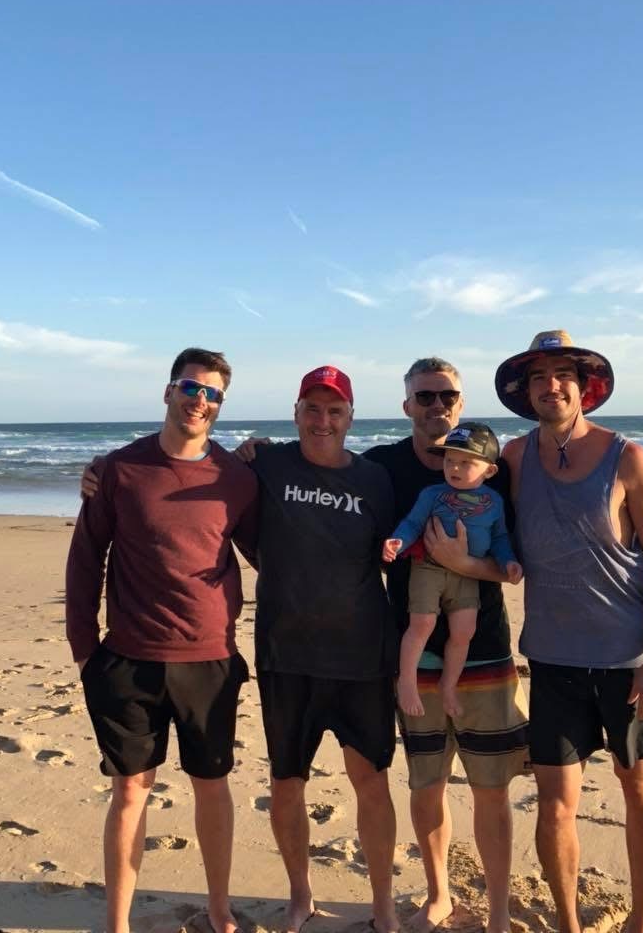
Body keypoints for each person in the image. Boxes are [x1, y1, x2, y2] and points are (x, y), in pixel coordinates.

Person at [493, 330, 643, 933]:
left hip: (629, 663)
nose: (550, 386)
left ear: (584, 388)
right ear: (526, 392)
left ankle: (642, 917)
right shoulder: (514, 458)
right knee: (554, 805)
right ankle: (569, 922)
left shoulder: (627, 458)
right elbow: (461, 493)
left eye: (562, 375)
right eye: (538, 377)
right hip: (552, 662)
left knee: (641, 790)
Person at [65, 347, 259, 933]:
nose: (200, 400)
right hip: (128, 660)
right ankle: (118, 923)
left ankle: (219, 909)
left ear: (221, 404)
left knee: (212, 786)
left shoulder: (237, 478)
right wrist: (85, 652)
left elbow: (273, 553)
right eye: (191, 388)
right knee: (130, 791)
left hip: (209, 659)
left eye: (212, 393)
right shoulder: (119, 469)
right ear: (169, 392)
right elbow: (85, 560)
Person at [364, 360, 529, 933]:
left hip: (485, 650)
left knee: (491, 789)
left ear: (461, 402)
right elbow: (319, 465)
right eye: (425, 396)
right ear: (407, 405)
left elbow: (515, 558)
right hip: (415, 657)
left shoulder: (494, 472)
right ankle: (438, 894)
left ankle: (500, 910)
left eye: (448, 396)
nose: (437, 405)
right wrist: (255, 452)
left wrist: (466, 564)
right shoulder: (381, 466)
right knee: (426, 784)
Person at [249, 365, 400, 933]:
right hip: (286, 656)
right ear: (295, 413)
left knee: (372, 781)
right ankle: (300, 895)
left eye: (334, 410)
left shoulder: (375, 480)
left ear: (350, 418)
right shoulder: (266, 464)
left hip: (362, 656)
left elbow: (397, 548)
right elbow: (203, 473)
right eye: (312, 409)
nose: (322, 420)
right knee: (287, 782)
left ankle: (383, 903)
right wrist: (104, 471)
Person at [383, 421, 522, 722]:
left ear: (490, 471)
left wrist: (508, 561)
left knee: (464, 631)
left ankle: (448, 685)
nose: (454, 468)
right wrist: (397, 540)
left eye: (465, 463)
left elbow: (500, 538)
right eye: (449, 461)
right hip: (428, 569)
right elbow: (412, 523)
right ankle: (407, 681)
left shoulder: (494, 502)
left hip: (468, 576)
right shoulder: (433, 494)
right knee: (422, 624)